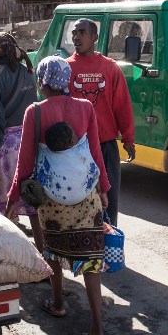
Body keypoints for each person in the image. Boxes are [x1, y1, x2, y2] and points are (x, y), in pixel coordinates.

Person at [6, 56, 111, 335]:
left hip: (52, 198)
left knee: (52, 249)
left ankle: (58, 302)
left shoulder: (35, 111)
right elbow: (94, 153)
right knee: (91, 259)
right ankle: (98, 330)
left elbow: (25, 163)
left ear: (42, 81)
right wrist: (104, 189)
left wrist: (12, 200)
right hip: (87, 194)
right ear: (66, 80)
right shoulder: (85, 107)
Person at [67, 18, 135, 226]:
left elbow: (122, 105)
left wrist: (128, 138)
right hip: (76, 148)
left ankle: (110, 246)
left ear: (95, 37)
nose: (77, 37)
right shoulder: (65, 68)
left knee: (109, 199)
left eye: (82, 32)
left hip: (105, 145)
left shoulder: (110, 67)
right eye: (74, 33)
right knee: (78, 200)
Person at [0, 33, 42, 249]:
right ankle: (44, 261)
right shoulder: (27, 73)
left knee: (4, 208)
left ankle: (13, 258)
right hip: (29, 146)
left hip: (4, 151)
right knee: (33, 206)